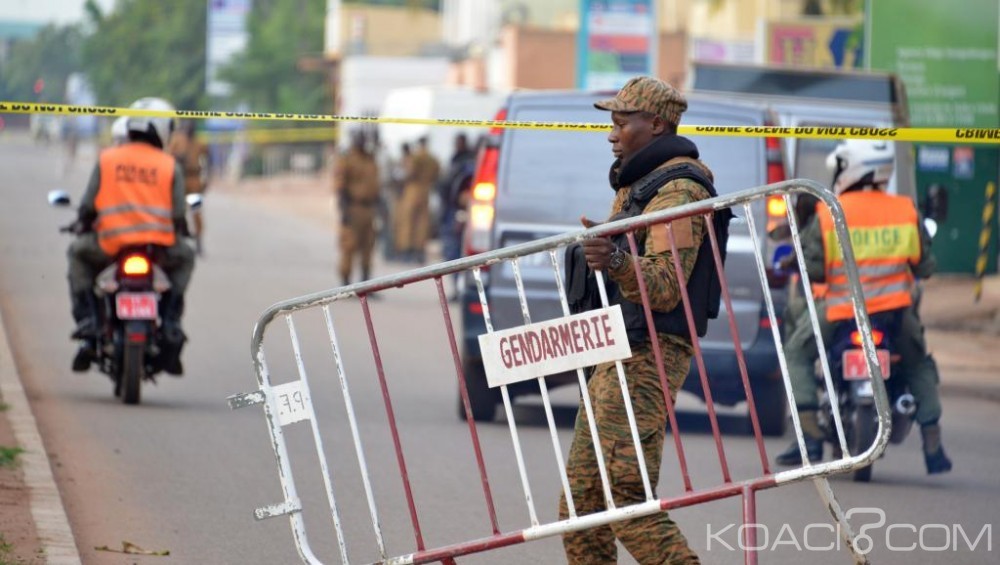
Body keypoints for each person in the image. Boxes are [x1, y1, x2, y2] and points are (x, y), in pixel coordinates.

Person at [560, 76, 727, 564]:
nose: (611, 134)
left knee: (623, 504)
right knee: (583, 506)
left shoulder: (678, 190)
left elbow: (663, 285)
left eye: (621, 122)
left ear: (656, 124)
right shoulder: (642, 181)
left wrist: (611, 260)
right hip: (620, 349)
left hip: (646, 356)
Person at [774, 139, 952, 475]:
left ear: (851, 169)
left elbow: (813, 268)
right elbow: (925, 266)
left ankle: (810, 437)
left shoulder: (830, 210)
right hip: (896, 315)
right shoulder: (905, 209)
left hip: (842, 313)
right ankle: (933, 444)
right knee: (918, 365)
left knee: (797, 353)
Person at [66, 97, 196, 375]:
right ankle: (171, 319)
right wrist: (182, 230)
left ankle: (88, 320)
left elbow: (89, 205)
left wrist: (81, 222)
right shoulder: (169, 165)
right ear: (161, 129)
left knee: (77, 253)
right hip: (156, 248)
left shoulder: (108, 159)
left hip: (109, 245)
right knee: (186, 256)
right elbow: (177, 213)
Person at [335, 130, 381, 286]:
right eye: (359, 139)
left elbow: (375, 185)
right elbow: (340, 187)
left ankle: (365, 284)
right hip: (353, 207)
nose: (362, 142)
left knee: (368, 246)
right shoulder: (347, 159)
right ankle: (345, 283)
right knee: (349, 246)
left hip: (369, 209)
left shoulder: (370, 159)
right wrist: (344, 211)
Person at [438, 133, 478, 298]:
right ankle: (457, 288)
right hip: (453, 212)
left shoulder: (469, 164)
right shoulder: (455, 161)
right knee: (452, 252)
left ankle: (465, 289)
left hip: (465, 213)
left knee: (464, 252)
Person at [167, 120, 210, 255]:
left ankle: (198, 241)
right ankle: (175, 240)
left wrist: (207, 179)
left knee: (196, 211)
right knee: (177, 211)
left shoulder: (200, 143)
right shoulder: (177, 141)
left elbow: (208, 160)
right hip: (180, 180)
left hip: (194, 180)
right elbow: (168, 158)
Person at [394, 136, 440, 264]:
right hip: (426, 191)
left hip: (412, 190)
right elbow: (437, 173)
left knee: (408, 221)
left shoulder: (415, 157)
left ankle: (407, 251)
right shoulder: (432, 158)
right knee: (422, 223)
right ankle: (419, 251)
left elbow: (409, 172)